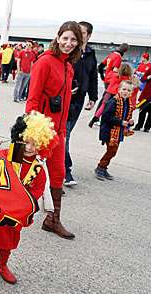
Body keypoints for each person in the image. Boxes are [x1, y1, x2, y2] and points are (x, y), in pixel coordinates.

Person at [0, 112, 55, 287]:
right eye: (26, 141)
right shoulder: (7, 155)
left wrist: (27, 204)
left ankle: (1, 265)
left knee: (11, 241)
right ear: (18, 137)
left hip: (19, 213)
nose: (29, 147)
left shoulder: (38, 168)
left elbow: (38, 189)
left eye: (35, 143)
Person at [25, 21, 82, 240]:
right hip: (40, 130)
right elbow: (32, 98)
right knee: (27, 173)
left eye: (73, 40)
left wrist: (63, 131)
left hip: (58, 132)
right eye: (65, 38)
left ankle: (52, 219)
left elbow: (64, 103)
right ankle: (13, 212)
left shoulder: (68, 66)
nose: (69, 43)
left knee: (58, 174)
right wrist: (31, 131)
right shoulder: (45, 62)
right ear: (58, 38)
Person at [63, 21, 98, 187]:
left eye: (81, 32)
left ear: (88, 36)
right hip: (64, 99)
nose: (77, 35)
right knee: (65, 134)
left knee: (65, 134)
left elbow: (93, 76)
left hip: (79, 99)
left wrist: (93, 97)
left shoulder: (91, 54)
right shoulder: (70, 52)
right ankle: (66, 170)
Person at [95, 80, 135, 180]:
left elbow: (126, 117)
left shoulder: (127, 103)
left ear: (131, 92)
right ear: (119, 89)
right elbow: (106, 117)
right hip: (110, 131)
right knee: (111, 151)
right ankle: (100, 167)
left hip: (118, 132)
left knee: (113, 151)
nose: (126, 92)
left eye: (129, 90)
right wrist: (120, 122)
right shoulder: (113, 101)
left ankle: (103, 167)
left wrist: (130, 122)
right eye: (124, 89)